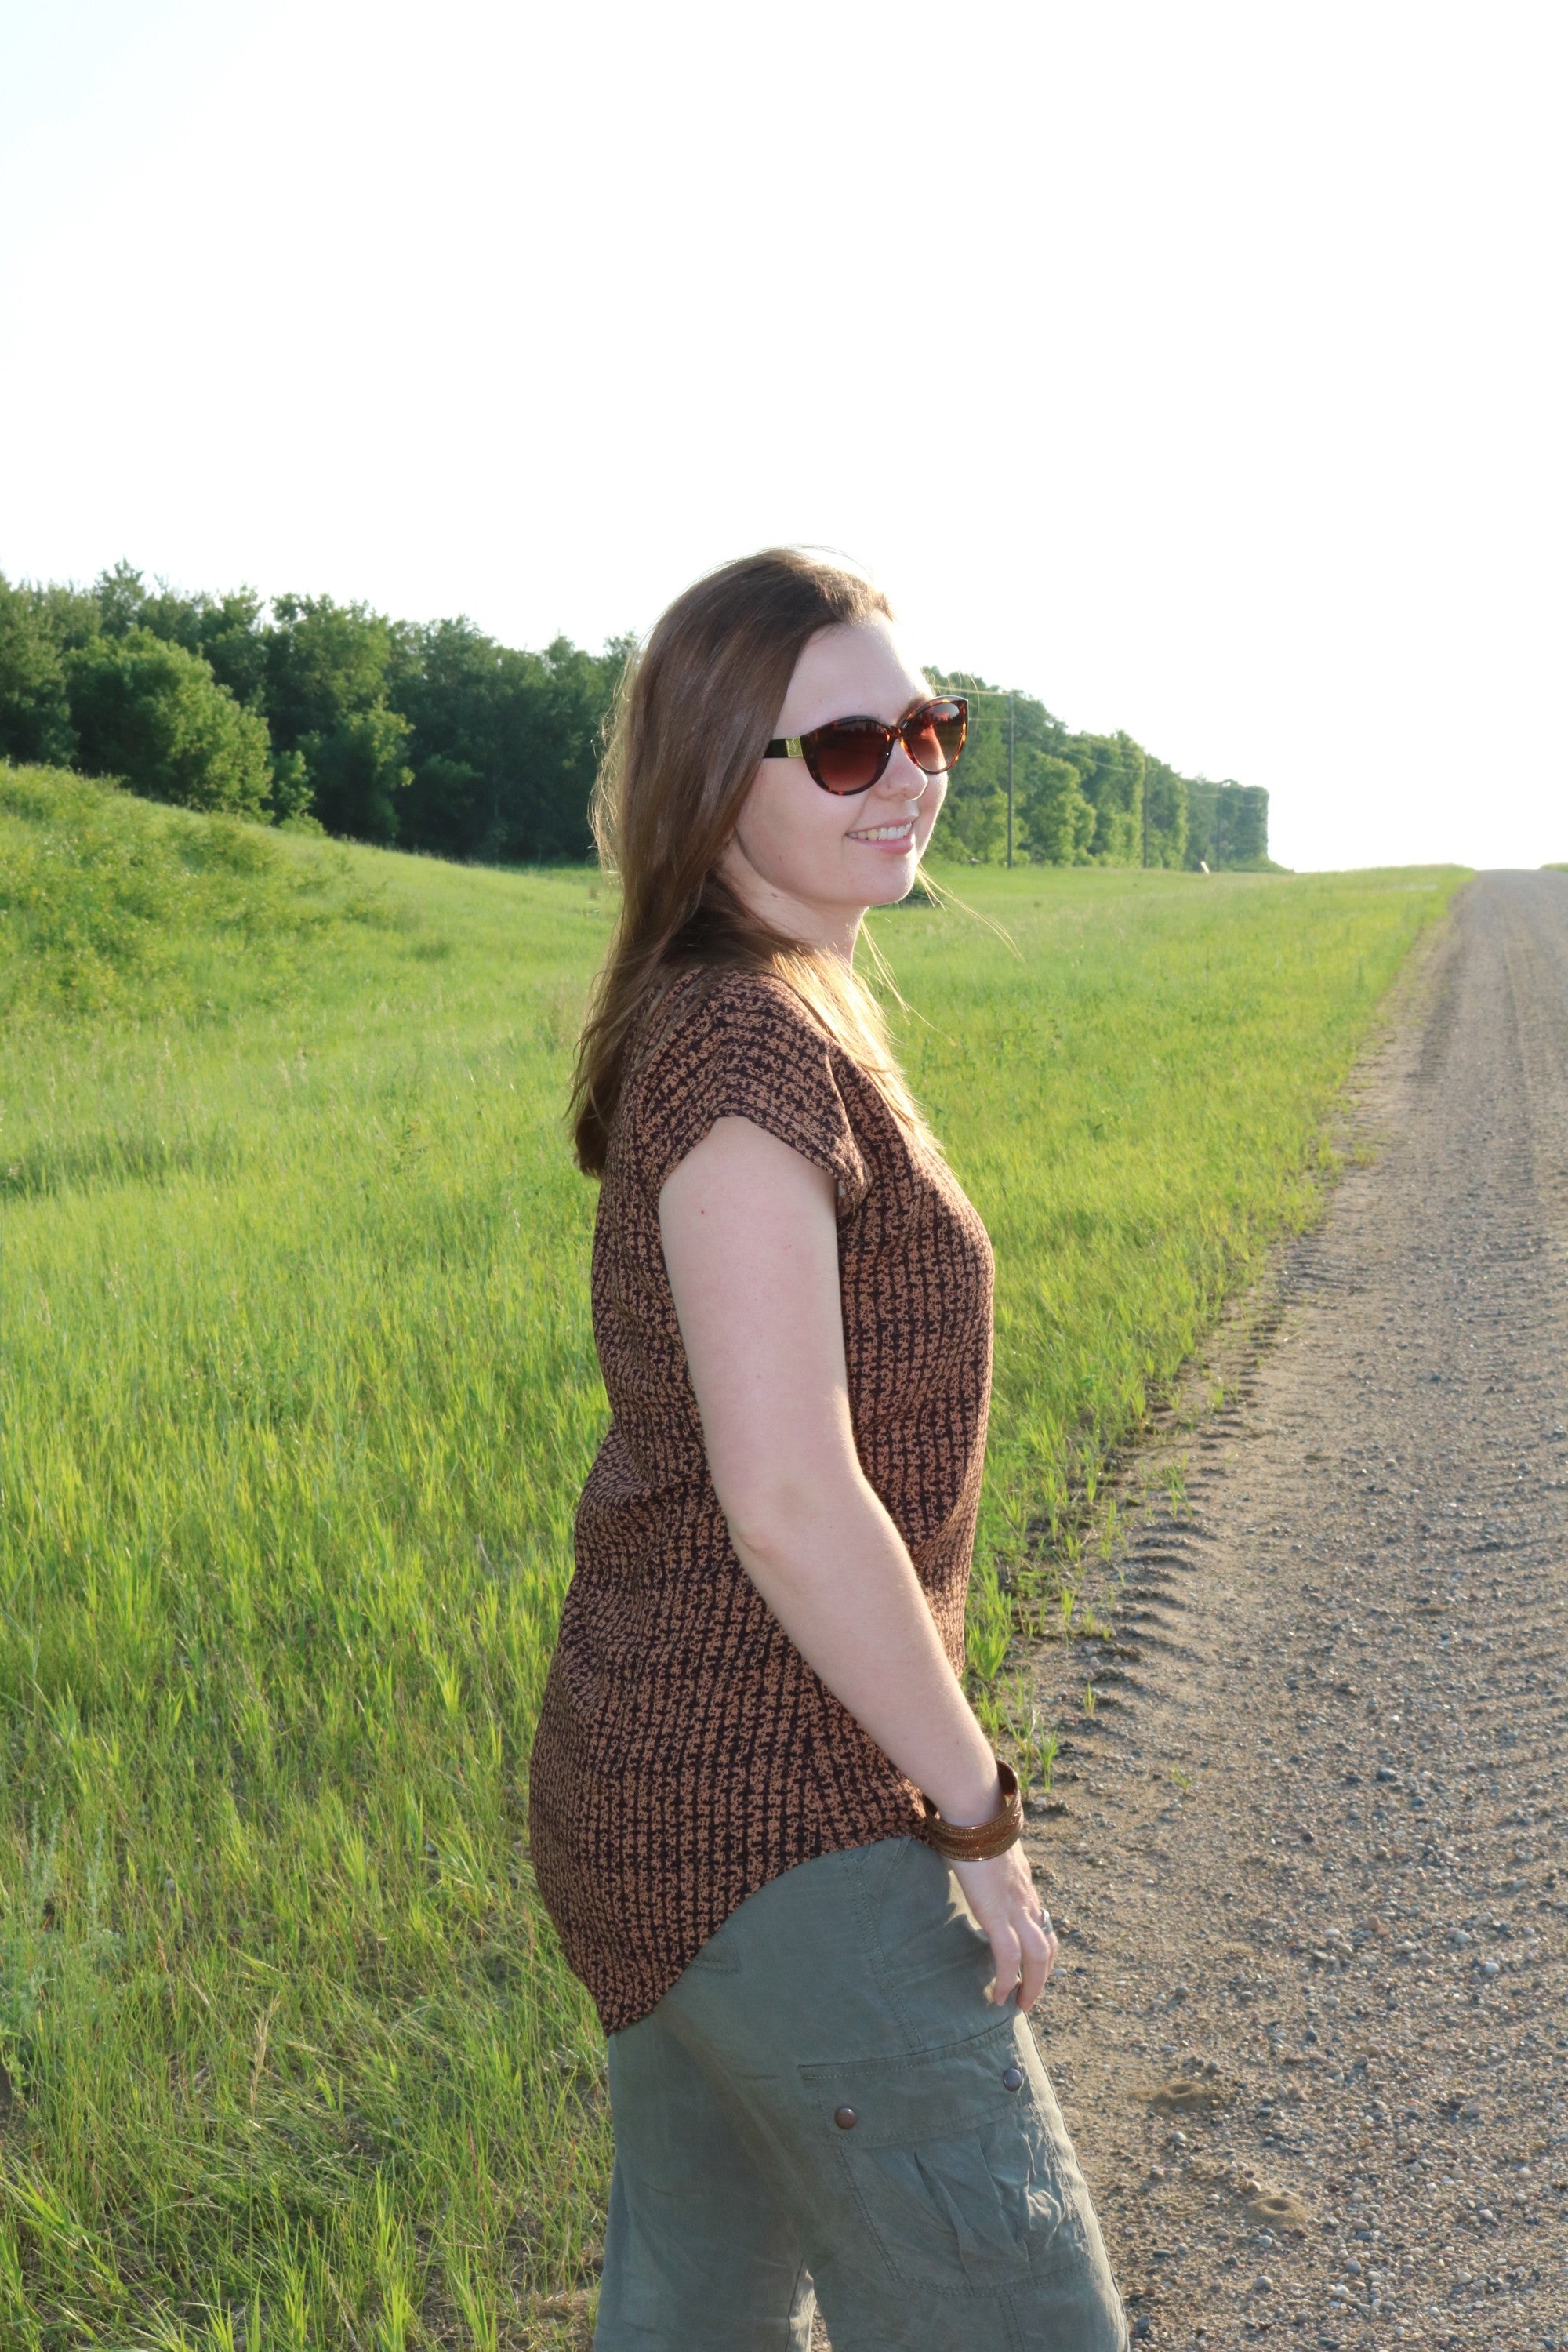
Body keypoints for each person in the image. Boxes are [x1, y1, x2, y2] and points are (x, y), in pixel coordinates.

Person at [529, 550, 1127, 2351]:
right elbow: (790, 1499)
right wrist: (971, 1810)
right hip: (774, 1816)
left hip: (673, 1801)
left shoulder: (772, 1016)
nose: (915, 771)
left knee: (694, 2316)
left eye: (925, 727)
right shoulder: (739, 1053)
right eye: (849, 747)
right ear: (724, 775)